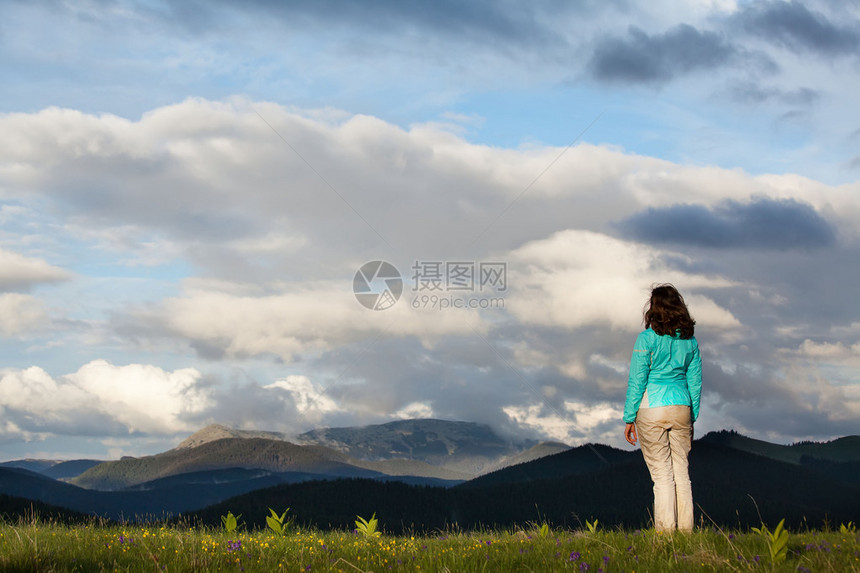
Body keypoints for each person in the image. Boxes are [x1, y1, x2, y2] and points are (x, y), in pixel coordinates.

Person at [623, 284, 702, 532]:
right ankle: (687, 533)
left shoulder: (646, 339)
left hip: (651, 407)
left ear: (653, 309)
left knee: (662, 476)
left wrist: (629, 417)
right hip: (682, 407)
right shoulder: (690, 342)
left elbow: (638, 379)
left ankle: (666, 535)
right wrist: (693, 416)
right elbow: (695, 381)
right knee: (682, 473)